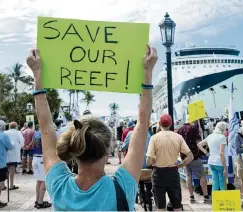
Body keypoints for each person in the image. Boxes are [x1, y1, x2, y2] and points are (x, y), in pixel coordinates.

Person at [26, 46, 157, 210]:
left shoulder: (59, 186)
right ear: (107, 150)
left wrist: (37, 75)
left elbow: (45, 127)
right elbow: (143, 123)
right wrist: (147, 73)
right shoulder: (122, 186)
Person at [146, 114, 193, 211]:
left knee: (161, 207)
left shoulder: (154, 138)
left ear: (159, 124)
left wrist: (155, 159)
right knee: (177, 206)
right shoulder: (178, 137)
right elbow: (190, 156)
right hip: (173, 173)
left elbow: (148, 161)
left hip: (158, 174)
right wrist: (181, 165)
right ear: (171, 124)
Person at [178, 121, 210, 203]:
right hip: (194, 156)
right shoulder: (193, 128)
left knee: (188, 176)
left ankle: (191, 197)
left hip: (184, 157)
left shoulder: (180, 129)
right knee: (202, 175)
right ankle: (206, 196)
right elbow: (199, 142)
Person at [197, 122, 228, 191]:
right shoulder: (222, 137)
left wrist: (206, 153)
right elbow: (221, 153)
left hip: (211, 161)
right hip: (219, 162)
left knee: (215, 182)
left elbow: (199, 144)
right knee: (222, 183)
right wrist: (225, 168)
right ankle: (223, 199)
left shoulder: (210, 136)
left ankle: (215, 200)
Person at [31, 126, 51, 209]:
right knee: (44, 181)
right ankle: (40, 202)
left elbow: (32, 144)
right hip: (41, 159)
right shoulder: (44, 134)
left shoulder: (36, 134)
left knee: (39, 181)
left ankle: (37, 200)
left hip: (35, 157)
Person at [5, 122, 24, 190]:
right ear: (16, 126)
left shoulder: (5, 132)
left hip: (6, 152)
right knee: (12, 168)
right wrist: (20, 147)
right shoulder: (18, 132)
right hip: (15, 153)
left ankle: (3, 185)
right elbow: (22, 142)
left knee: (6, 169)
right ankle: (11, 185)